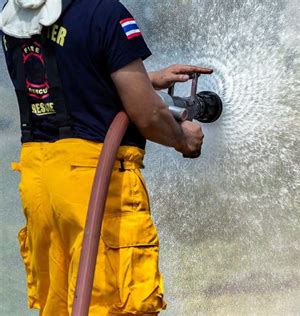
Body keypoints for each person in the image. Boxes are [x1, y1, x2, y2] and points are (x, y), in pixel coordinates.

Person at [1, 0, 211, 314]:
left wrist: (144, 78)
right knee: (113, 303)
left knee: (60, 304)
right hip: (94, 177)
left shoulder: (14, 16)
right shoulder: (104, 12)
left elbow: (65, 78)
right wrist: (183, 139)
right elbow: (148, 114)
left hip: (39, 180)